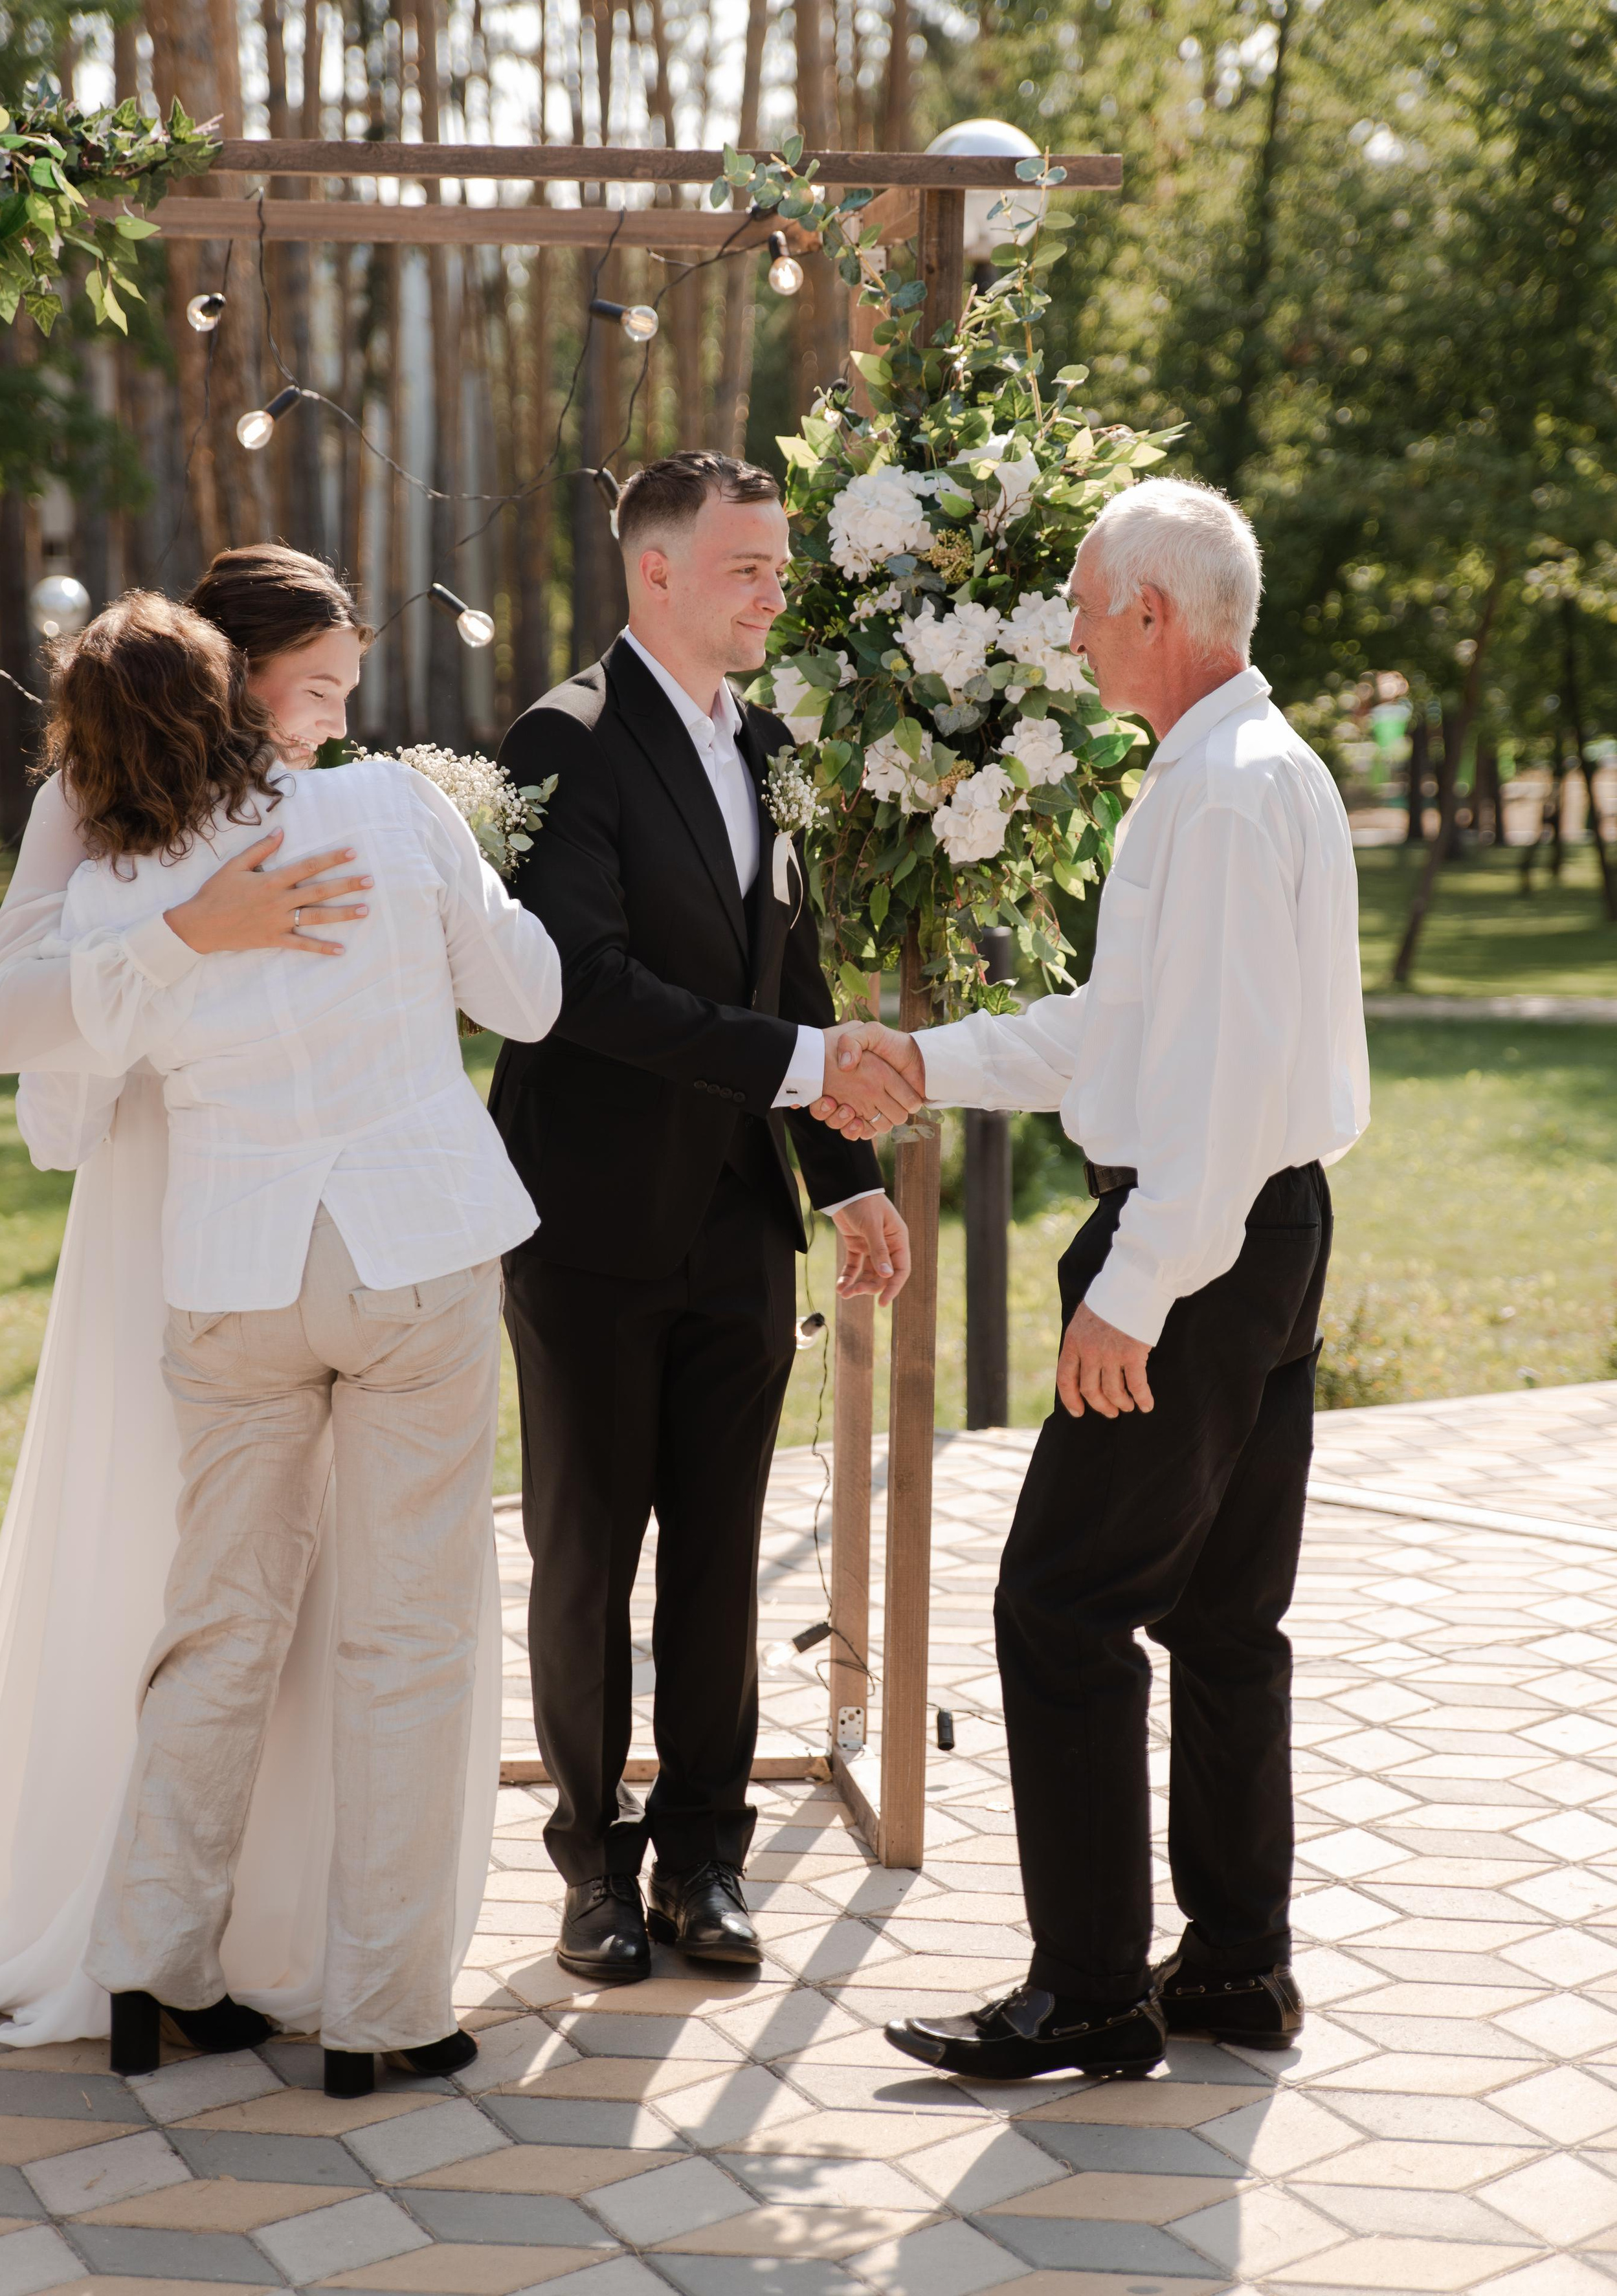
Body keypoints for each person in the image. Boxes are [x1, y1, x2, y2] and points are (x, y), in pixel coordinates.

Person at [820, 480, 1369, 2081]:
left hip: (1197, 1244)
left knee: (1058, 1605)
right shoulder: (1251, 770)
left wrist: (1131, 1288)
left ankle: (1091, 1992)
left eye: (1079, 600)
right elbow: (1118, 1033)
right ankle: (1232, 1968)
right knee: (1221, 1616)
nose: (1063, 627)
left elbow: (1199, 1080)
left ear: (1150, 614)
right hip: (1266, 1228)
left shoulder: (1213, 796)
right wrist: (917, 1057)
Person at [0, 547, 515, 2063]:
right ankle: (379, 2012)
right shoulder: (361, 811)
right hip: (309, 1236)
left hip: (231, 1259)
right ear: (237, 682)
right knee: (392, 1633)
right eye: (318, 686)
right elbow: (523, 996)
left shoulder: (161, 849)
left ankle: (156, 1965)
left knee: (224, 1623)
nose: (333, 715)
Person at [491, 452, 919, 1982]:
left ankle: (704, 1865)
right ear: (651, 570)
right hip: (590, 1224)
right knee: (585, 1553)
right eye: (745, 566)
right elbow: (583, 989)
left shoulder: (771, 743)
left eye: (775, 566)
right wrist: (804, 1062)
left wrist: (847, 1173)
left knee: (723, 1555)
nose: (770, 591)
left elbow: (780, 975)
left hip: (739, 1225)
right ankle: (592, 1871)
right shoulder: (563, 740)